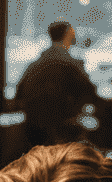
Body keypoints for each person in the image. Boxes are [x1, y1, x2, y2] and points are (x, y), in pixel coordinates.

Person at [16, 19, 97, 148]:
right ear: (68, 35)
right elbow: (91, 93)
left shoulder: (35, 64)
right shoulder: (70, 63)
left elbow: (18, 95)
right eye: (72, 33)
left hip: (33, 130)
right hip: (63, 131)